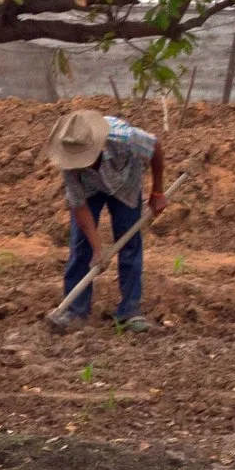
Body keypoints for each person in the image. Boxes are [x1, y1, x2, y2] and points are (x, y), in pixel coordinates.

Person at [43, 109, 165, 334]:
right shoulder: (69, 158)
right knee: (82, 247)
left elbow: (155, 147)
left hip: (125, 184)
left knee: (129, 244)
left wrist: (157, 191)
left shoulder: (126, 138)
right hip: (89, 189)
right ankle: (75, 310)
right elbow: (79, 206)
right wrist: (98, 249)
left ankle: (130, 311)